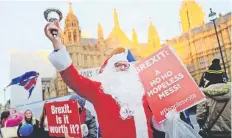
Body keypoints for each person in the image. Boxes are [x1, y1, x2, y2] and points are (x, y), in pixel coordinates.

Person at [45, 21, 153, 138]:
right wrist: (58, 44)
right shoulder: (100, 92)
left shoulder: (143, 95)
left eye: (125, 65)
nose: (122, 67)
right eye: (117, 65)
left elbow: (157, 122)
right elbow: (74, 79)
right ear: (109, 70)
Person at [197, 59, 231, 138]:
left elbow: (200, 116)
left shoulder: (204, 94)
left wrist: (203, 126)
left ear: (209, 78)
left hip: (212, 132)